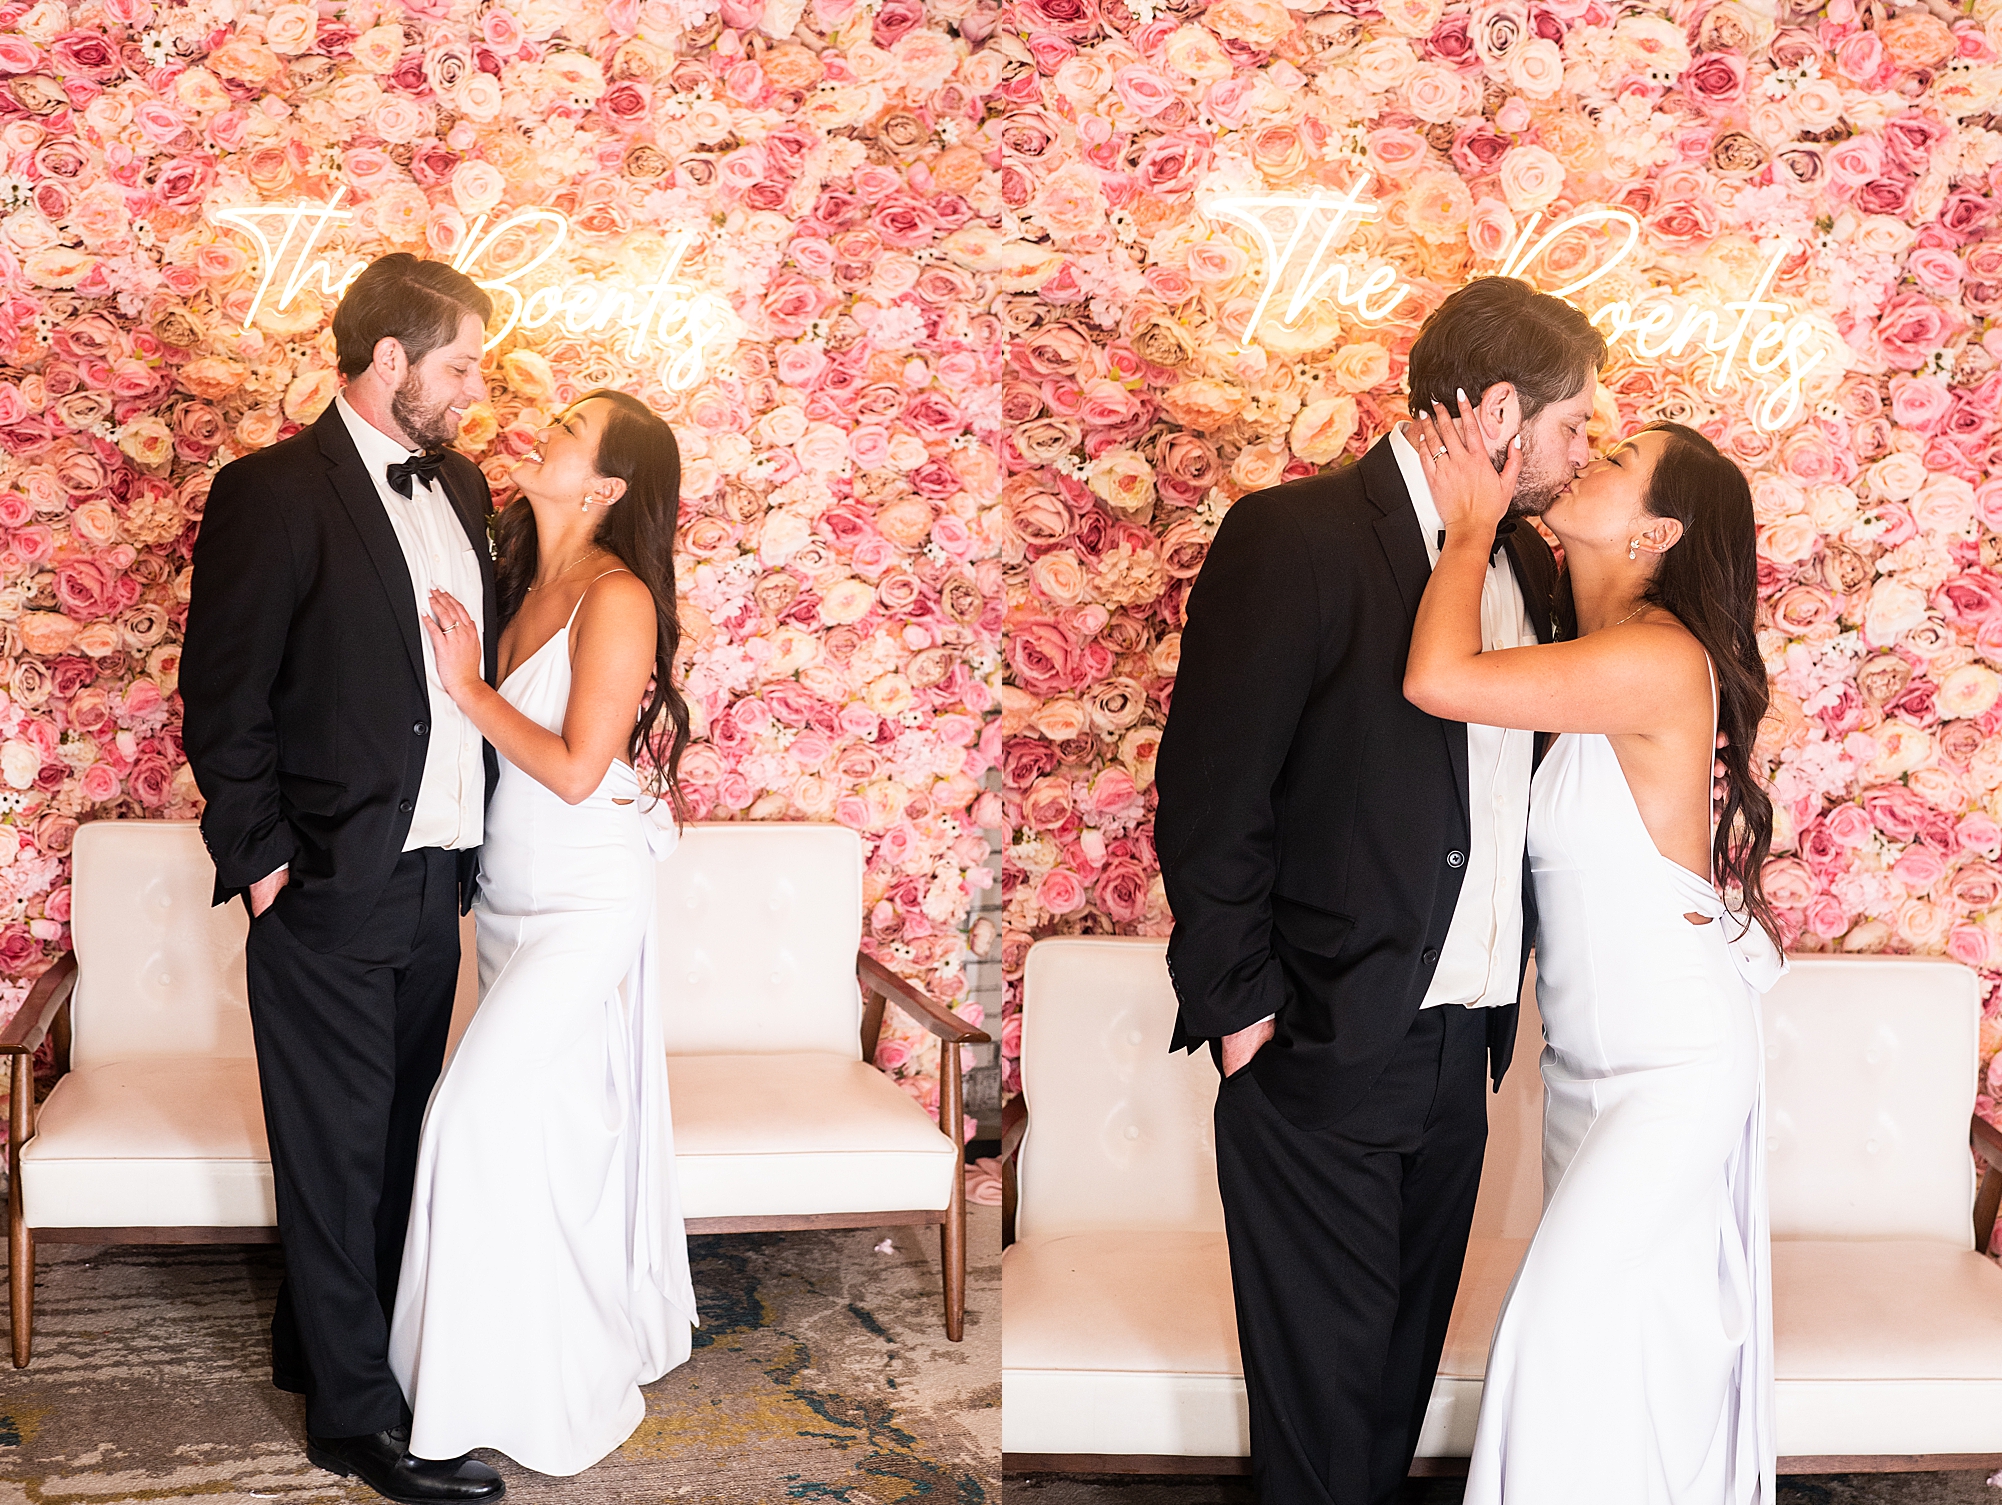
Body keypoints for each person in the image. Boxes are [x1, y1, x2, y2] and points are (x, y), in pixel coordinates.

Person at [1153, 276, 1604, 1504]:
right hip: (1317, 1040)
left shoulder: (1527, 565)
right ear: (1500, 411)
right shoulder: (1292, 536)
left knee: (1388, 1401)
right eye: (1572, 426)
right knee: (1321, 1422)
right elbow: (1210, 796)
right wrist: (1246, 1018)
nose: (1581, 454)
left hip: (1464, 1052)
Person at [1404, 399, 1784, 1502]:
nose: (1587, 457)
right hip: (1586, 1069)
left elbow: (1437, 679)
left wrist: (1470, 527)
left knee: (1558, 1336)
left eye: (1616, 458)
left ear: (1656, 531)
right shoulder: (1589, 655)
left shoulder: (1657, 658)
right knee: (1625, 1351)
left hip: (1669, 1070)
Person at [182, 254, 507, 1503]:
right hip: (324, 879)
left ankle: (321, 1347)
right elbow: (225, 694)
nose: (476, 389)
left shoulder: (462, 483)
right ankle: (359, 1423)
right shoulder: (269, 492)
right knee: (334, 1154)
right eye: (461, 365)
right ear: (389, 360)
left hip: (435, 879)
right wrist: (266, 863)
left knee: (395, 1137)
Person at [387, 388, 699, 1476]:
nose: (545, 430)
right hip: (505, 904)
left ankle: (493, 1394)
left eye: (571, 430)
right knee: (539, 1139)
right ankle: (520, 1362)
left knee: (467, 1115)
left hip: (582, 904)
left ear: (606, 485)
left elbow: (573, 769)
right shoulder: (514, 576)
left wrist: (469, 687)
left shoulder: (618, 596)